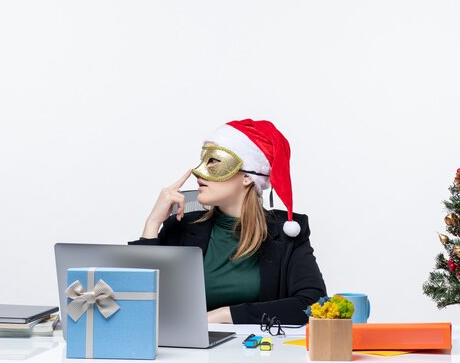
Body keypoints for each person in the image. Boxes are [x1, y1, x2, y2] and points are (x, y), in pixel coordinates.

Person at [129, 119, 326, 324]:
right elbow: (137, 303)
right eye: (203, 160)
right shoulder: (180, 227)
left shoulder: (288, 234)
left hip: (259, 353)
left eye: (214, 161)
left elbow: (312, 304)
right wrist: (152, 224)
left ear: (248, 176)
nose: (198, 171)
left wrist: (223, 315)